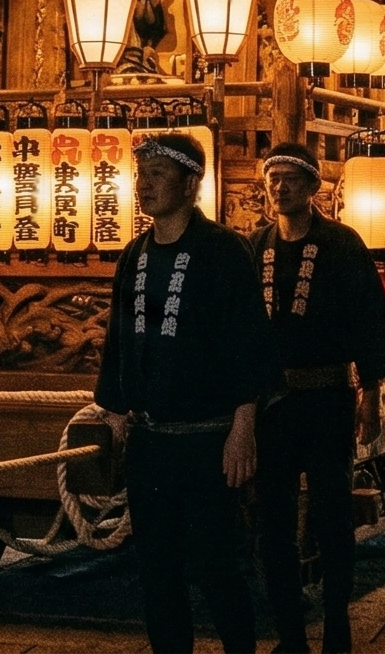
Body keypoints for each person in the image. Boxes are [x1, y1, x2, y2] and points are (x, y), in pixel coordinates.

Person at [94, 132, 274, 654]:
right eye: (139, 174)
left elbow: (249, 343)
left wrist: (243, 428)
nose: (143, 186)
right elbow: (118, 340)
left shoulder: (223, 251)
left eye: (157, 175)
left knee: (218, 566)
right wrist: (117, 411)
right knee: (156, 571)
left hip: (207, 440)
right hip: (152, 442)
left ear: (190, 182)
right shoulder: (134, 255)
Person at [247, 141, 385, 654]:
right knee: (272, 522)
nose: (281, 187)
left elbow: (367, 321)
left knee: (332, 514)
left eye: (292, 178)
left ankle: (338, 622)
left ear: (314, 187)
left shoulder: (342, 243)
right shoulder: (255, 246)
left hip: (328, 398)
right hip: (271, 406)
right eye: (274, 179)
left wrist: (370, 395)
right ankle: (291, 633)